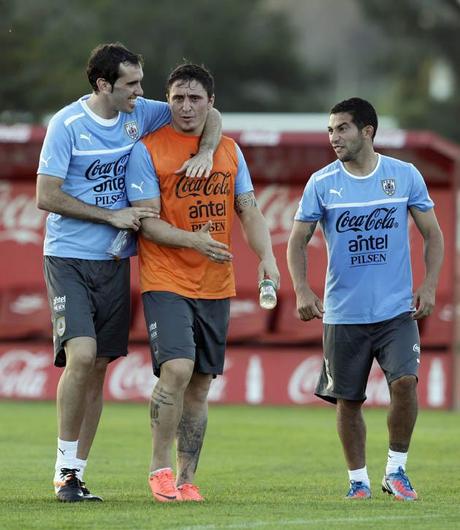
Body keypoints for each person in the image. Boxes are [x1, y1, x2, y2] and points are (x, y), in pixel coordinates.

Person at [36, 42, 222, 503]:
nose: (142, 92)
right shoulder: (67, 125)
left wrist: (207, 151)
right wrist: (110, 216)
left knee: (99, 365)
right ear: (104, 85)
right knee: (81, 356)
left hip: (116, 262)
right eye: (132, 84)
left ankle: (76, 475)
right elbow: (46, 195)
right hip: (69, 257)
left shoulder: (140, 112)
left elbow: (210, 115)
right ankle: (62, 468)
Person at [125, 62, 279, 502]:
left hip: (217, 282)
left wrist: (267, 257)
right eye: (178, 98)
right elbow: (147, 225)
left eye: (195, 98)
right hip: (166, 277)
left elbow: (248, 209)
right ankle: (159, 469)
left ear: (211, 103)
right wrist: (196, 241)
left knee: (201, 384)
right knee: (176, 369)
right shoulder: (147, 149)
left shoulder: (229, 150)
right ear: (167, 100)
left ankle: (188, 478)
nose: (186, 106)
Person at [287, 98, 444, 501]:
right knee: (348, 400)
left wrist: (428, 286)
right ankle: (359, 481)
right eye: (330, 130)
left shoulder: (404, 175)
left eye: (342, 128)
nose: (333, 137)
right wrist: (303, 289)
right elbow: (297, 242)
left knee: (405, 383)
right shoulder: (321, 183)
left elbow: (434, 234)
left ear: (367, 131)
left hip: (396, 313)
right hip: (343, 315)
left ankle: (396, 471)